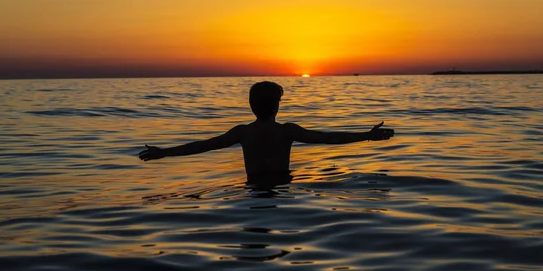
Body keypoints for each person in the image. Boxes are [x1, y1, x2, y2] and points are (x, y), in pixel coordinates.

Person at [139, 81, 394, 185]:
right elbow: (328, 138)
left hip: (253, 187)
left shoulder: (242, 133)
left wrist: (164, 153)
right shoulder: (287, 132)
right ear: (278, 105)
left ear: (250, 105)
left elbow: (204, 145)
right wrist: (367, 136)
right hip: (284, 185)